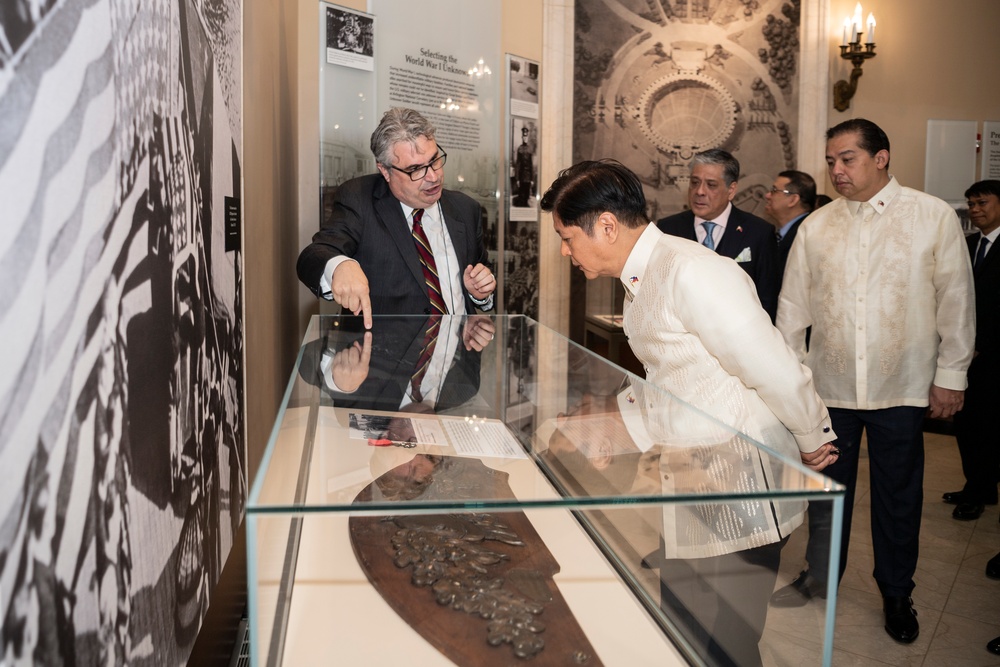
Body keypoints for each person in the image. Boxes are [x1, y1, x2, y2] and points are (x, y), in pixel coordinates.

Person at [541, 159, 839, 666]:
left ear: (607, 226)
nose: (566, 251)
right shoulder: (645, 277)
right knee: (681, 632)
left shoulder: (692, 271)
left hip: (741, 481)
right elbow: (673, 380)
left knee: (727, 645)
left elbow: (774, 368)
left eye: (568, 237)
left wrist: (812, 438)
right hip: (693, 475)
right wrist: (612, 422)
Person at [773, 118, 975, 644]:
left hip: (901, 387)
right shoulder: (816, 227)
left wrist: (951, 376)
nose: (836, 170)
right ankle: (820, 576)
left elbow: (956, 303)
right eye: (831, 161)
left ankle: (895, 592)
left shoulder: (932, 217)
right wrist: (790, 386)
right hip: (829, 390)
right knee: (827, 492)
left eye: (848, 159)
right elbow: (791, 313)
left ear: (881, 157)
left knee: (898, 498)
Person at [297, 107, 496, 328]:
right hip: (383, 358)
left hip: (459, 358)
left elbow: (482, 275)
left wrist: (481, 293)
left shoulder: (465, 208)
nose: (433, 176)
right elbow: (313, 256)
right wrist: (340, 266)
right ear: (385, 171)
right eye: (415, 169)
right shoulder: (359, 200)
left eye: (434, 160)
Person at [656, 148, 779, 320]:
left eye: (711, 185)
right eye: (694, 182)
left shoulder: (759, 232)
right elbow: (657, 291)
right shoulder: (669, 229)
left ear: (731, 190)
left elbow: (768, 300)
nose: (700, 191)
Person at [944, 180, 1000, 521]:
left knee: (989, 428)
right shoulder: (967, 244)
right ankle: (976, 485)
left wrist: (983, 345)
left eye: (982, 202)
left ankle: (980, 490)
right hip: (965, 356)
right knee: (966, 425)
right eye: (970, 204)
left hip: (994, 357)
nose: (975, 209)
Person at [763, 169, 816, 282]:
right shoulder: (781, 234)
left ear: (793, 200)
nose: (767, 195)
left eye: (774, 190)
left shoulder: (807, 233)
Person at [513, 126, 534, 207]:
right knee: (521, 195)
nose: (525, 138)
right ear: (522, 137)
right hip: (521, 177)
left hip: (528, 177)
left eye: (526, 136)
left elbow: (531, 165)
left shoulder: (530, 149)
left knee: (527, 195)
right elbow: (518, 164)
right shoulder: (520, 149)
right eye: (524, 136)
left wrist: (532, 179)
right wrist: (517, 179)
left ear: (527, 137)